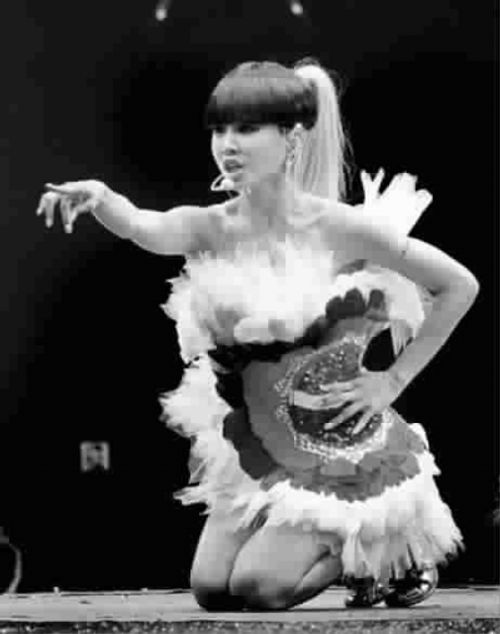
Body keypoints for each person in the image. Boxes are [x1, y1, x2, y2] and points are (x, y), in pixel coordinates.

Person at [36, 60, 479, 610]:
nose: (228, 144)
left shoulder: (341, 228)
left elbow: (459, 284)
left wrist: (392, 380)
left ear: (290, 137)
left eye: (246, 129)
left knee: (259, 587)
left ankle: (375, 542)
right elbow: (146, 227)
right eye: (220, 129)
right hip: (261, 446)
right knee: (212, 590)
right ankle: (336, 547)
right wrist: (103, 198)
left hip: (334, 450)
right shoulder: (213, 225)